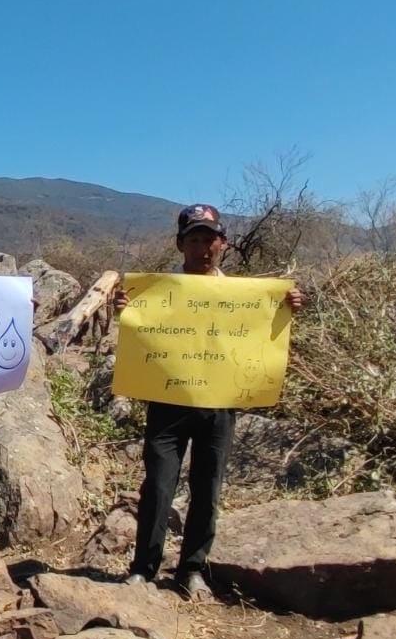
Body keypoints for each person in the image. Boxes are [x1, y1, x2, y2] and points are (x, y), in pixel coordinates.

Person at [115, 204, 305, 599]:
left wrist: (288, 307)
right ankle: (143, 570)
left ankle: (192, 570)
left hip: (219, 404)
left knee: (208, 487)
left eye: (210, 239)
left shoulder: (244, 297)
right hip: (167, 403)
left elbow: (264, 333)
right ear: (181, 244)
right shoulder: (157, 292)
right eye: (195, 239)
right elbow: (141, 335)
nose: (203, 247)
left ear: (224, 244)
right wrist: (125, 312)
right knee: (158, 486)